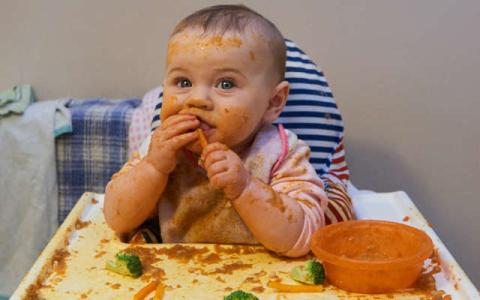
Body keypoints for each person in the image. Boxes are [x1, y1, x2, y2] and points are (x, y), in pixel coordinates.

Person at [104, 4, 352, 257]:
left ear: (273, 102)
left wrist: (245, 187)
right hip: (173, 274)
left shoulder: (281, 154)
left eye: (226, 83)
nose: (197, 99)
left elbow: (301, 238)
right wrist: (153, 168)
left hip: (264, 280)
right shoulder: (159, 150)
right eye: (183, 82)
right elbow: (117, 219)